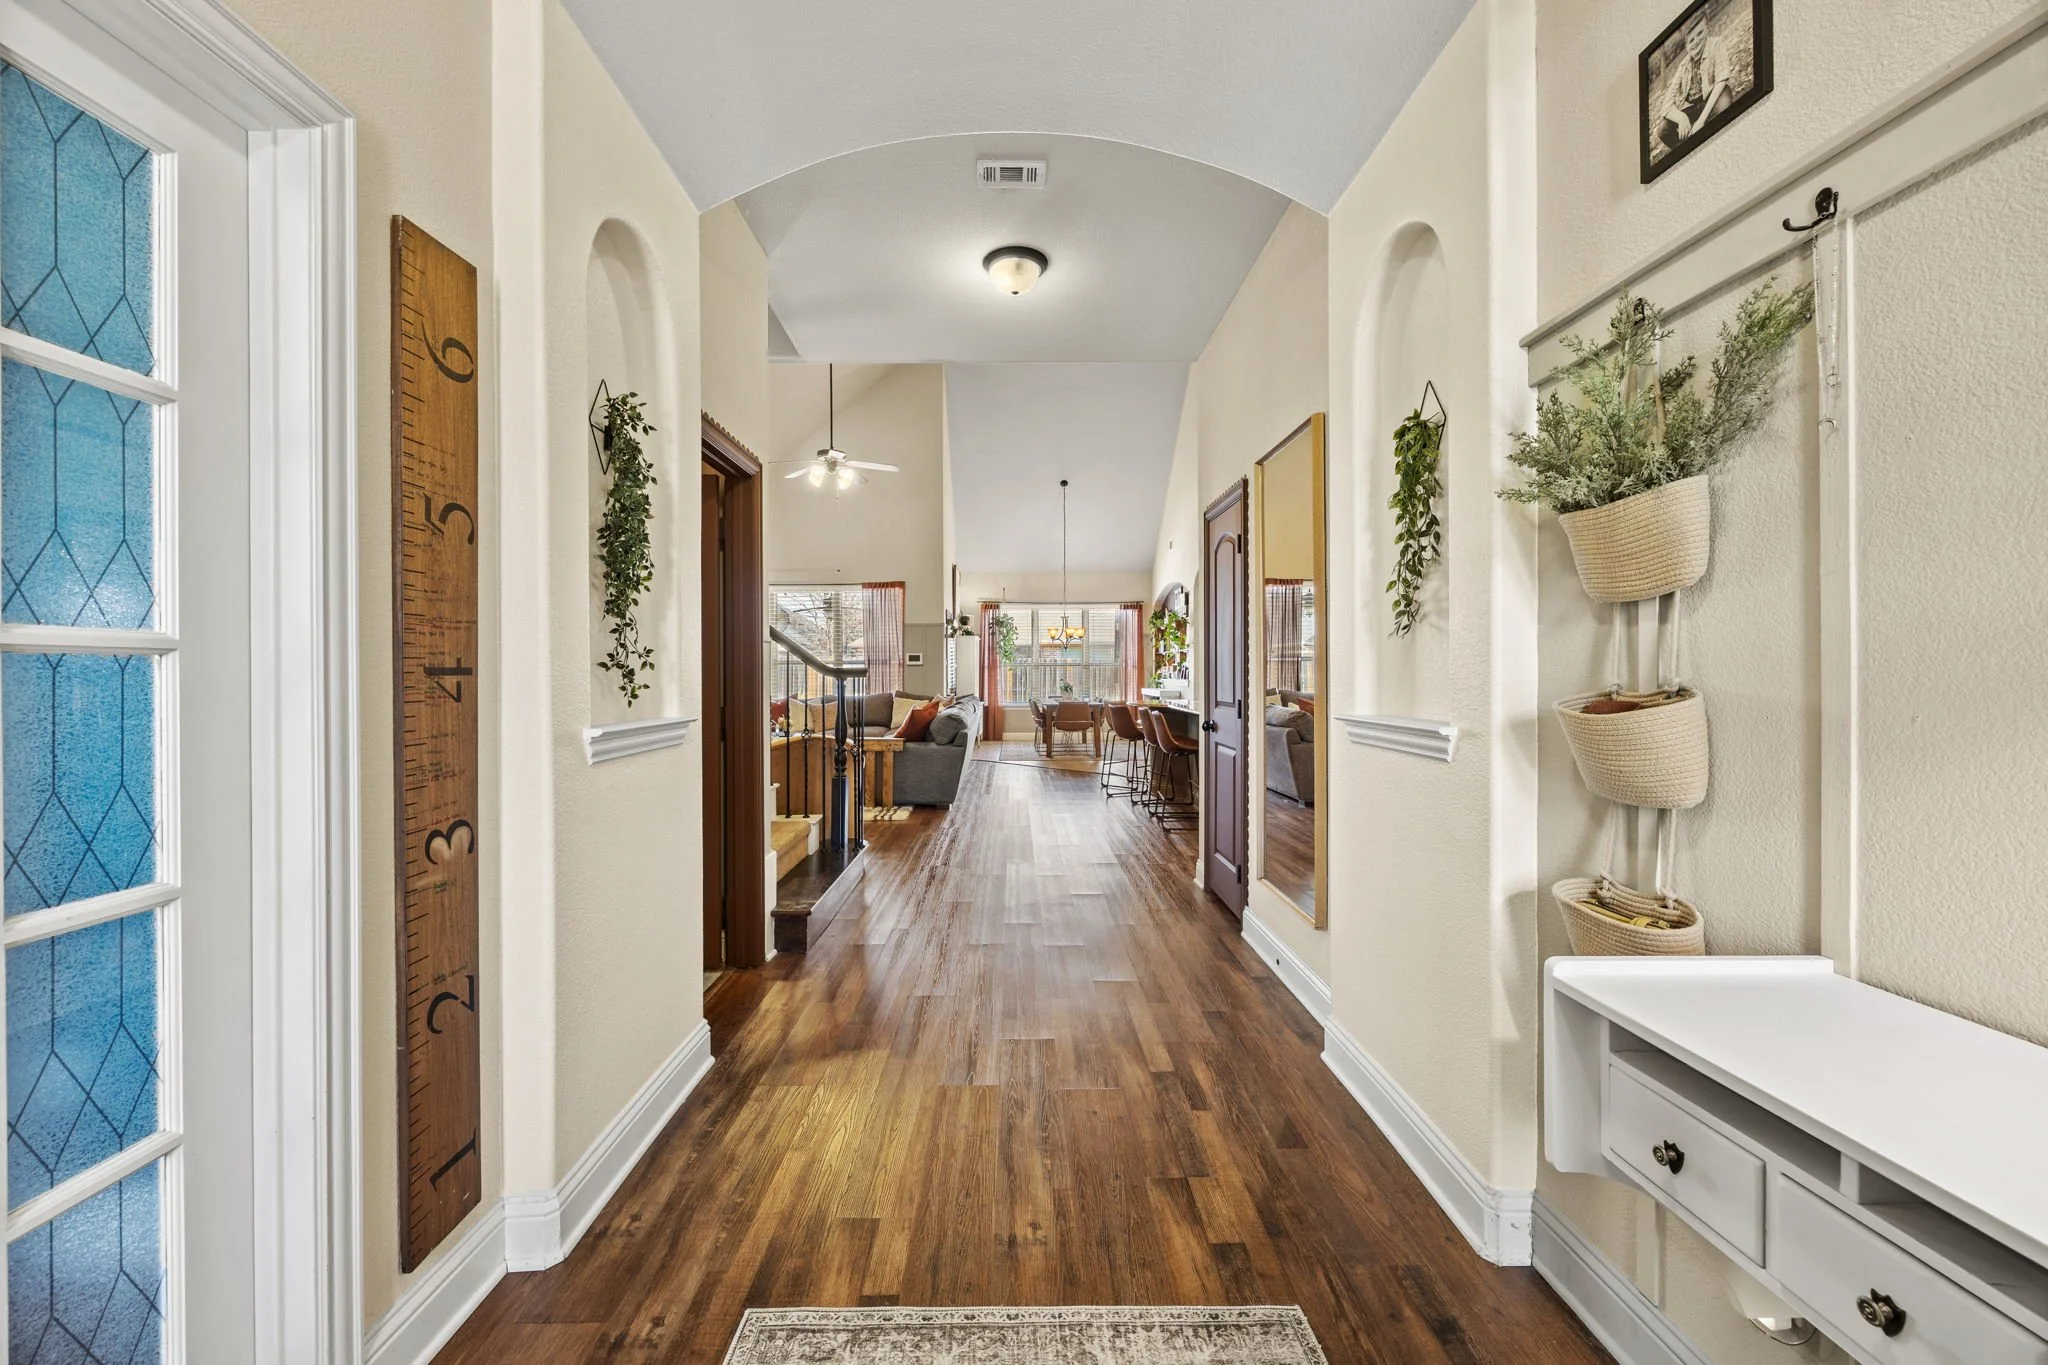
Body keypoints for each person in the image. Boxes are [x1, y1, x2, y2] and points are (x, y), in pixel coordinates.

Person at [1655, 10, 1736, 155]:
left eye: (1700, 34)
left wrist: (1701, 121)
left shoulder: (1716, 44)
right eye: (1691, 40)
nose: (1696, 41)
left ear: (1707, 30)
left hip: (1714, 97)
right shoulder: (1683, 65)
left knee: (1724, 102)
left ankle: (1719, 137)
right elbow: (1666, 104)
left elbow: (1722, 79)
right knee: (1663, 129)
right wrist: (1682, 117)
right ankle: (1688, 149)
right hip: (1694, 106)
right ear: (1686, 45)